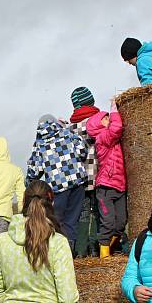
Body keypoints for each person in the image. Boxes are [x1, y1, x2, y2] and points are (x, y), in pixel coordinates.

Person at [26, 115, 87, 252]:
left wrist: (29, 182)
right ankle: (69, 253)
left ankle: (58, 253)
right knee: (72, 221)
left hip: (58, 188)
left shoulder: (40, 143)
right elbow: (82, 150)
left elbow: (35, 170)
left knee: (57, 222)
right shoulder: (67, 133)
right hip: (77, 183)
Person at [86, 100, 127, 259]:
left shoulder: (109, 138)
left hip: (119, 186)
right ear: (98, 125)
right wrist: (114, 109)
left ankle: (110, 248)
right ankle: (104, 256)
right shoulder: (102, 138)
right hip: (106, 188)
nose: (109, 118)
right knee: (108, 223)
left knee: (121, 223)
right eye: (105, 118)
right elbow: (116, 128)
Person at [67, 87, 101, 258]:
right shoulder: (99, 120)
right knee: (98, 213)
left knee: (82, 214)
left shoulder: (69, 127)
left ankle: (80, 252)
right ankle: (96, 249)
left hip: (79, 179)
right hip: (99, 175)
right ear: (91, 101)